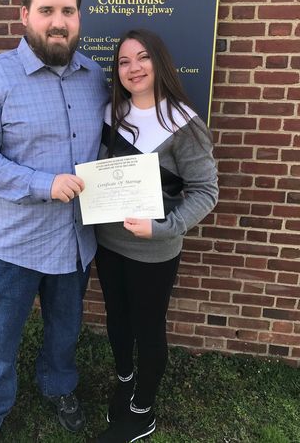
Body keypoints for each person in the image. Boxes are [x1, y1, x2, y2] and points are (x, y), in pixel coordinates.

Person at [0, 0, 109, 443]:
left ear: (79, 17)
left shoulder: (96, 78)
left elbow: (107, 147)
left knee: (65, 330)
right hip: (11, 246)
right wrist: (44, 183)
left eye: (68, 10)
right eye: (47, 10)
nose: (58, 21)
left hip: (73, 242)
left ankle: (58, 387)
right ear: (25, 15)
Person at [95, 29, 218, 443]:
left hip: (155, 250)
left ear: (159, 62)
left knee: (148, 326)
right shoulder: (112, 115)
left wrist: (164, 228)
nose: (133, 68)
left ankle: (143, 410)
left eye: (142, 58)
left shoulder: (183, 122)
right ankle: (126, 381)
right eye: (124, 62)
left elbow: (205, 191)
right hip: (108, 245)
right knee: (117, 319)